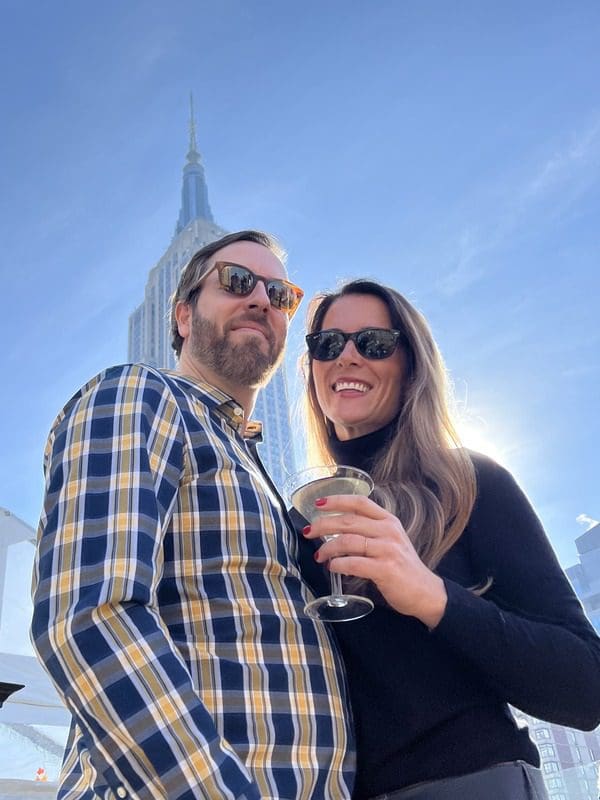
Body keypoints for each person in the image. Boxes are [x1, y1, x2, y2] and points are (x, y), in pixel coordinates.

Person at [31, 231, 355, 800]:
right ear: (182, 316)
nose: (261, 299)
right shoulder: (141, 396)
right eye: (237, 281)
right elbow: (89, 617)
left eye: (280, 294)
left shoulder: (256, 472)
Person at [294, 278, 600, 800]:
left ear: (411, 364)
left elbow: (585, 687)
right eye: (328, 344)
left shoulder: (469, 481)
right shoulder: (303, 521)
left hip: (473, 781)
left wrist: (432, 597)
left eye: (373, 343)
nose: (346, 357)